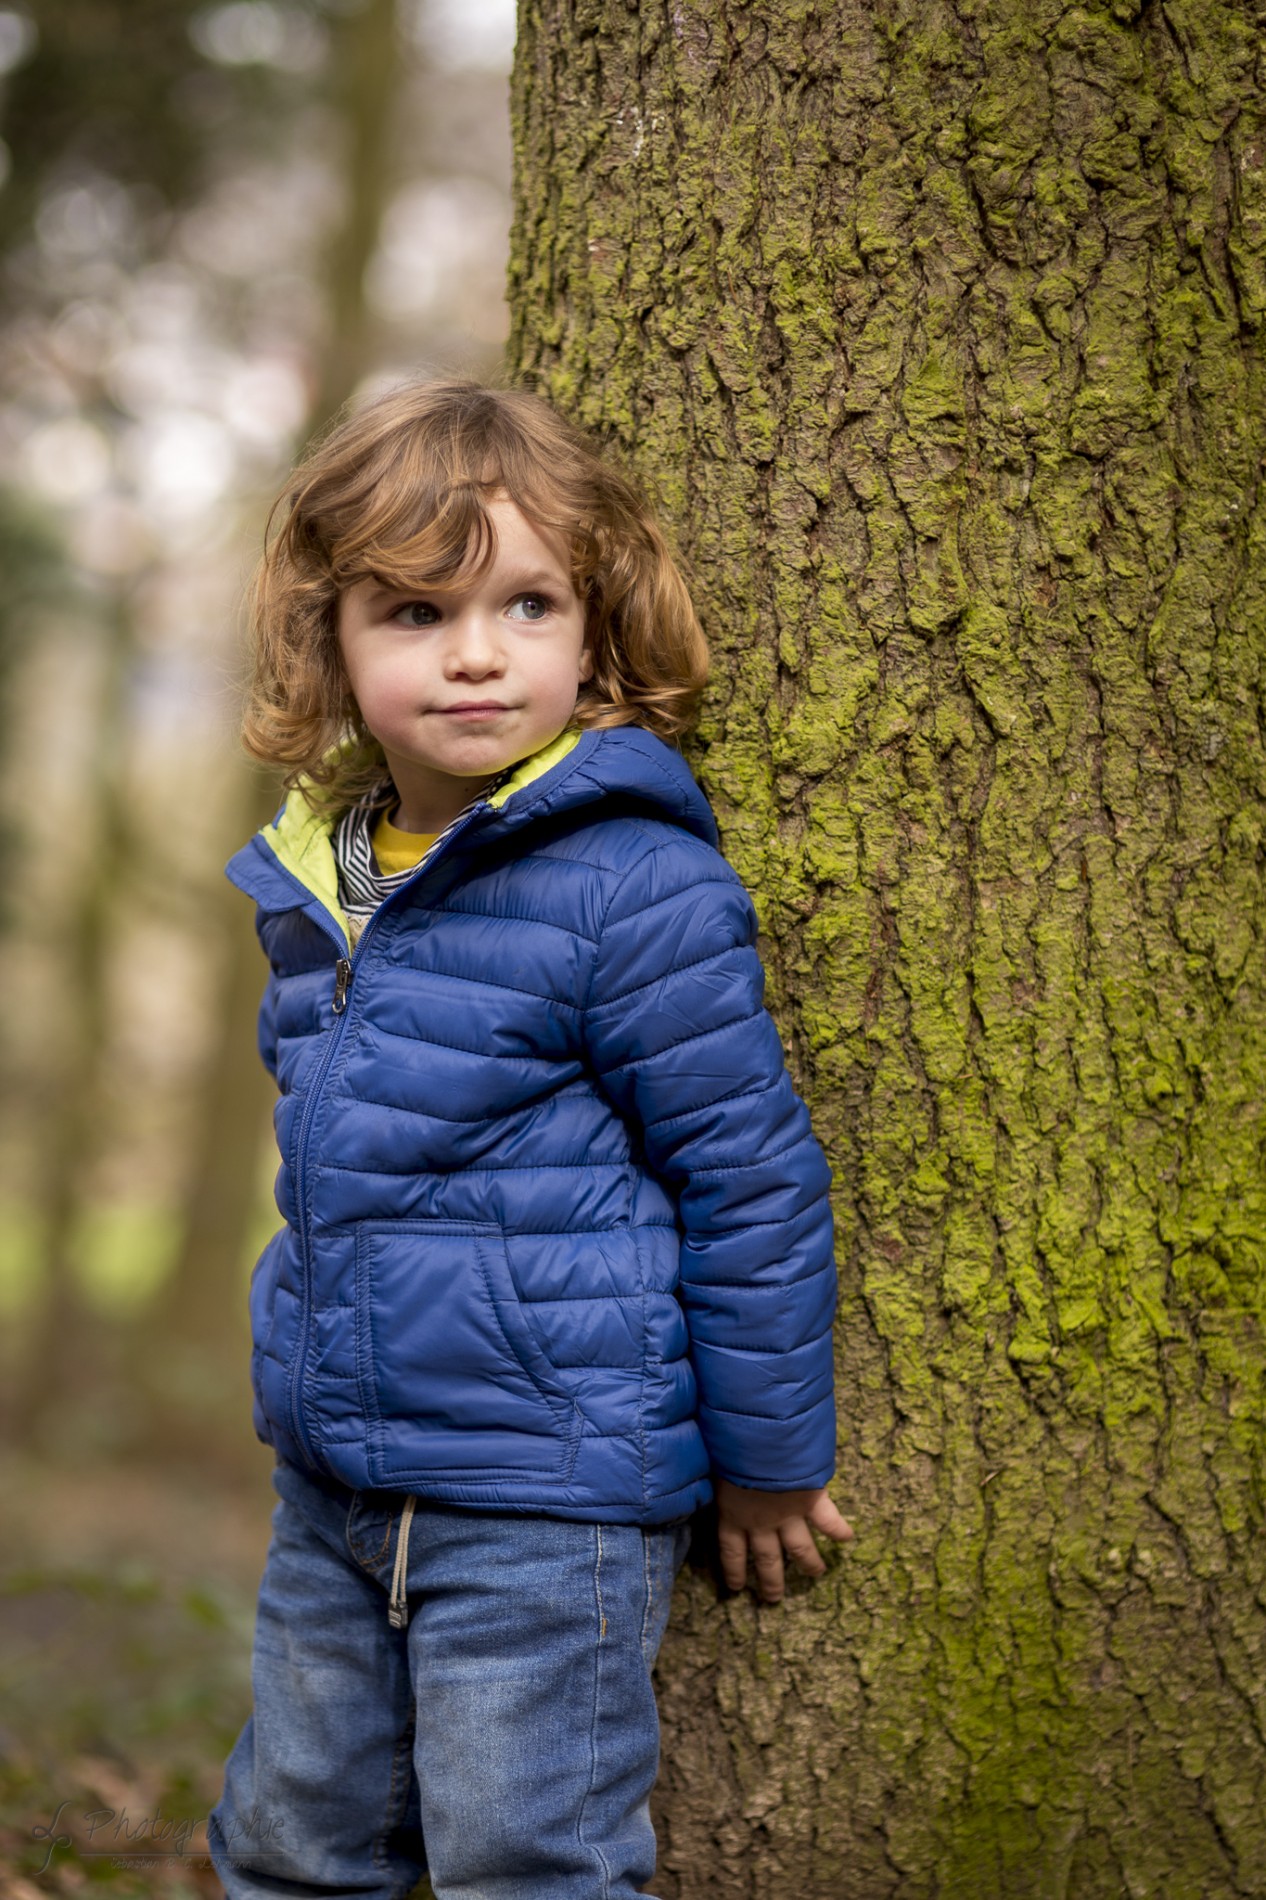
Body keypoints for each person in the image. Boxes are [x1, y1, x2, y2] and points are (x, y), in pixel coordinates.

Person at [208, 379, 851, 1900]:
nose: (479, 652)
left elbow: (748, 1179)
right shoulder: (322, 878)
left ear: (595, 627)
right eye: (416, 614)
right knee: (290, 1847)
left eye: (528, 602)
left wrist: (768, 1462)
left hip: (543, 1501)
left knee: (528, 1861)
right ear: (333, 643)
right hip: (337, 1489)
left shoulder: (631, 882)